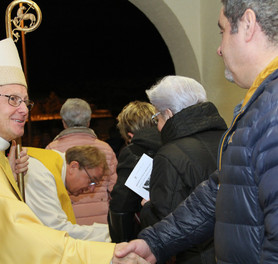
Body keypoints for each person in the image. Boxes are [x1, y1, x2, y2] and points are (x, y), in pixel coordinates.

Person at [0, 38, 146, 264]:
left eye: (25, 101)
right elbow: (22, 241)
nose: (24, 110)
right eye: (13, 99)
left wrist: (8, 175)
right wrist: (108, 255)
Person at [115, 1, 278, 263]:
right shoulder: (260, 106)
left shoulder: (273, 110)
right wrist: (156, 242)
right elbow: (221, 191)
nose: (219, 48)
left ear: (247, 25)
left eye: (223, 31)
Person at [139, 75, 227, 264]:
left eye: (157, 117)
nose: (157, 125)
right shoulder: (231, 138)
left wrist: (147, 208)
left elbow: (166, 221)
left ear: (169, 114)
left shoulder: (169, 154)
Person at [46, 98, 118, 225]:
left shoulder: (52, 150)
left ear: (63, 123)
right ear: (89, 122)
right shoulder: (105, 149)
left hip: (68, 224)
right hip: (101, 224)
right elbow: (114, 190)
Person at [25, 145, 111, 242]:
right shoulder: (42, 175)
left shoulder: (54, 164)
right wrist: (110, 233)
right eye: (91, 180)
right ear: (74, 166)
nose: (91, 189)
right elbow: (57, 230)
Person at [108, 101, 162, 243]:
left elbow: (122, 202)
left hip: (148, 233)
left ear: (130, 135)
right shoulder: (172, 143)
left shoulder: (133, 152)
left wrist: (121, 244)